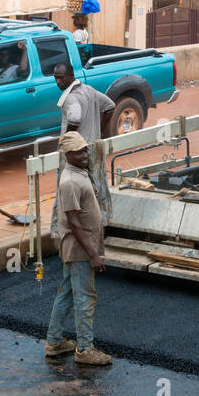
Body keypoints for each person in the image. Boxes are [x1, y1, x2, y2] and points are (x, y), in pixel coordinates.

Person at [45, 132, 112, 366]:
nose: (84, 155)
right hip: (79, 249)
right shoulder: (70, 182)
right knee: (85, 296)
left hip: (80, 246)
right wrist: (93, 254)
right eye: (78, 152)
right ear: (67, 155)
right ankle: (85, 349)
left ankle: (54, 342)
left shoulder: (78, 172)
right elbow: (74, 222)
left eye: (85, 150)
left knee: (67, 293)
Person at [52, 63, 115, 238]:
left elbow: (74, 117)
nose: (58, 81)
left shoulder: (71, 97)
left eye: (61, 77)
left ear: (71, 75)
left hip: (77, 153)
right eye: (55, 77)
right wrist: (98, 132)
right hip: (93, 149)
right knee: (96, 188)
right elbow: (109, 106)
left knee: (72, 192)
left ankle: (69, 232)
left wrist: (69, 143)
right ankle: (100, 226)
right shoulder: (89, 90)